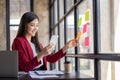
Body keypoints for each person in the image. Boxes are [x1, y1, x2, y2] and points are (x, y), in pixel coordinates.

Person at [12, 12, 79, 72]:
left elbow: (51, 59)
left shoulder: (37, 44)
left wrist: (66, 47)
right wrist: (41, 54)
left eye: (37, 25)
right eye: (32, 25)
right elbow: (25, 67)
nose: (35, 28)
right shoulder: (18, 41)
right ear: (25, 26)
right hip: (30, 75)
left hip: (40, 73)